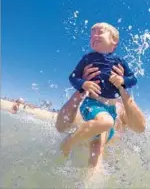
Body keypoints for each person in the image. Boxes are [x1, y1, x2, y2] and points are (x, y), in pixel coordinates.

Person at [62, 22, 138, 157]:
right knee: (106, 122)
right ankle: (70, 140)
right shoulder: (87, 58)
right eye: (91, 36)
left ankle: (91, 176)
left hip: (111, 109)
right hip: (92, 103)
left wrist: (122, 80)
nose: (94, 36)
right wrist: (83, 83)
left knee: (99, 146)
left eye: (99, 32)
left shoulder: (119, 61)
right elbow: (73, 77)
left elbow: (133, 79)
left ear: (114, 40)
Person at [56, 64, 145, 169]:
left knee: (102, 133)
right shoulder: (84, 110)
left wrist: (121, 87)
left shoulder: (120, 111)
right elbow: (60, 126)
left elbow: (140, 127)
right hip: (76, 155)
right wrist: (82, 87)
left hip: (109, 162)